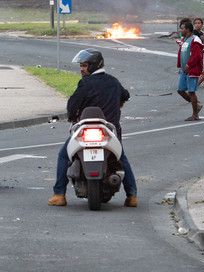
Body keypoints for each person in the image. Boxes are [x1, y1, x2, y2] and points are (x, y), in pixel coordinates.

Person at [47, 49, 138, 208]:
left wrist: (72, 117)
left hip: (85, 131)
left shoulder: (85, 83)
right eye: (81, 65)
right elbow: (125, 96)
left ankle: (59, 194)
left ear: (94, 65)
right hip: (109, 131)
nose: (81, 69)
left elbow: (72, 105)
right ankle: (132, 196)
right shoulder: (114, 82)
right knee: (120, 158)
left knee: (64, 156)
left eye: (84, 65)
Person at [177, 22, 204, 121]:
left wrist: (189, 64)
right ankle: (197, 105)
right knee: (180, 90)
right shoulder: (184, 39)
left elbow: (197, 55)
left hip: (192, 69)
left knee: (191, 92)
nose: (181, 30)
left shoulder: (195, 39)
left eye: (182, 28)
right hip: (184, 70)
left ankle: (195, 114)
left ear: (188, 29)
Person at [193, 18, 204, 86]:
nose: (197, 25)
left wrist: (203, 49)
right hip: (194, 55)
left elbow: (201, 44)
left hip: (200, 54)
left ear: (202, 24)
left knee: (201, 73)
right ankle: (194, 86)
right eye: (195, 23)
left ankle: (194, 85)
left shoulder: (201, 33)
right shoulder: (193, 33)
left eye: (199, 23)